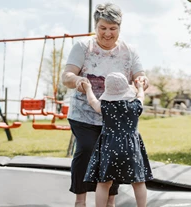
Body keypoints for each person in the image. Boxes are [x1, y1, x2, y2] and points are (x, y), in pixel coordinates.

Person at [61, 2, 149, 207]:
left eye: (113, 28)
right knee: (86, 148)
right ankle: (80, 201)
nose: (107, 33)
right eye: (103, 28)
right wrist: (78, 81)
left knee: (116, 152)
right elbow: (67, 76)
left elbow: (141, 76)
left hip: (115, 117)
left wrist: (142, 81)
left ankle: (110, 201)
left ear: (119, 28)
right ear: (96, 27)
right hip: (83, 114)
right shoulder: (83, 47)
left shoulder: (129, 50)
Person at [80, 72, 153, 207]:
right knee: (138, 182)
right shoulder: (135, 107)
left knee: (104, 183)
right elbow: (141, 97)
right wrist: (140, 88)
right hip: (131, 149)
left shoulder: (105, 107)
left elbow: (92, 101)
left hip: (110, 148)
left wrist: (88, 88)